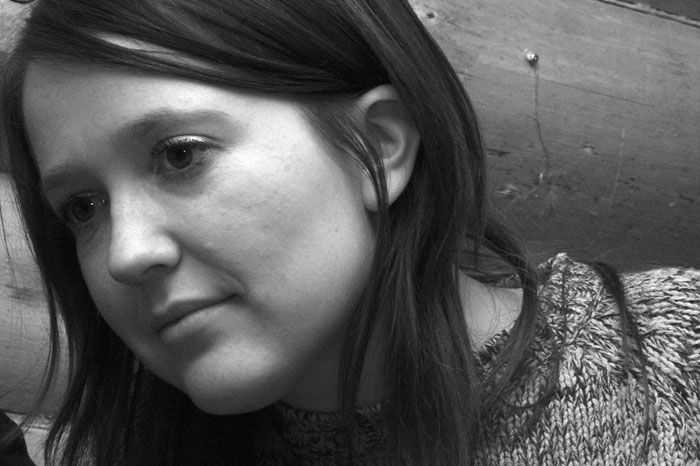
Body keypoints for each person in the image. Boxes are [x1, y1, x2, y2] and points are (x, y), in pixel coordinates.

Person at [0, 0, 698, 464]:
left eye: (179, 155)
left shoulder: (679, 365)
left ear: (379, 149)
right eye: (83, 207)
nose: (125, 254)